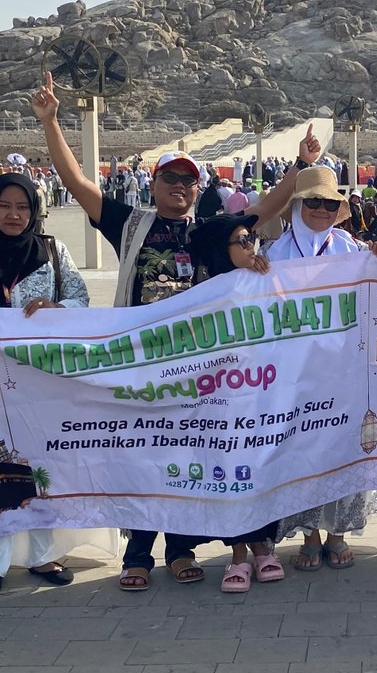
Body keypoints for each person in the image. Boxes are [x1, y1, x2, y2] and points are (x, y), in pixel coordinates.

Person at [32, 72, 310, 590]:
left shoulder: (210, 232)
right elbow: (77, 184)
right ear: (154, 184)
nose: (179, 187)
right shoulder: (131, 223)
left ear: (197, 189)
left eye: (188, 181)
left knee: (186, 452)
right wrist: (51, 123)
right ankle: (137, 554)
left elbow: (265, 209)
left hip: (196, 366)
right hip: (141, 362)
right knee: (142, 454)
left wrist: (300, 166)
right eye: (170, 179)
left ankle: (181, 550)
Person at [0, 173, 111, 596]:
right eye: (4, 206)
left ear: (35, 211)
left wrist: (56, 306)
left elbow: (80, 298)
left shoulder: (52, 251)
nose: (13, 215)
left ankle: (43, 554)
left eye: (22, 207)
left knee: (40, 466)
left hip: (40, 380)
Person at [269, 167, 377, 570]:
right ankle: (310, 533)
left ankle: (337, 533)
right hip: (296, 375)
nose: (322, 210)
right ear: (297, 205)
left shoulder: (351, 247)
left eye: (329, 203)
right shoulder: (274, 255)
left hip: (346, 372)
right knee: (303, 450)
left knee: (344, 447)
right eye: (314, 202)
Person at [189, 214, 286, 592]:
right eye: (241, 240)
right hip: (221, 400)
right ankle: (239, 554)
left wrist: (270, 279)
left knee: (261, 465)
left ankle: (264, 548)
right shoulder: (203, 290)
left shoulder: (265, 277)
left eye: (252, 239)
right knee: (230, 471)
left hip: (261, 395)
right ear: (221, 250)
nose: (250, 246)